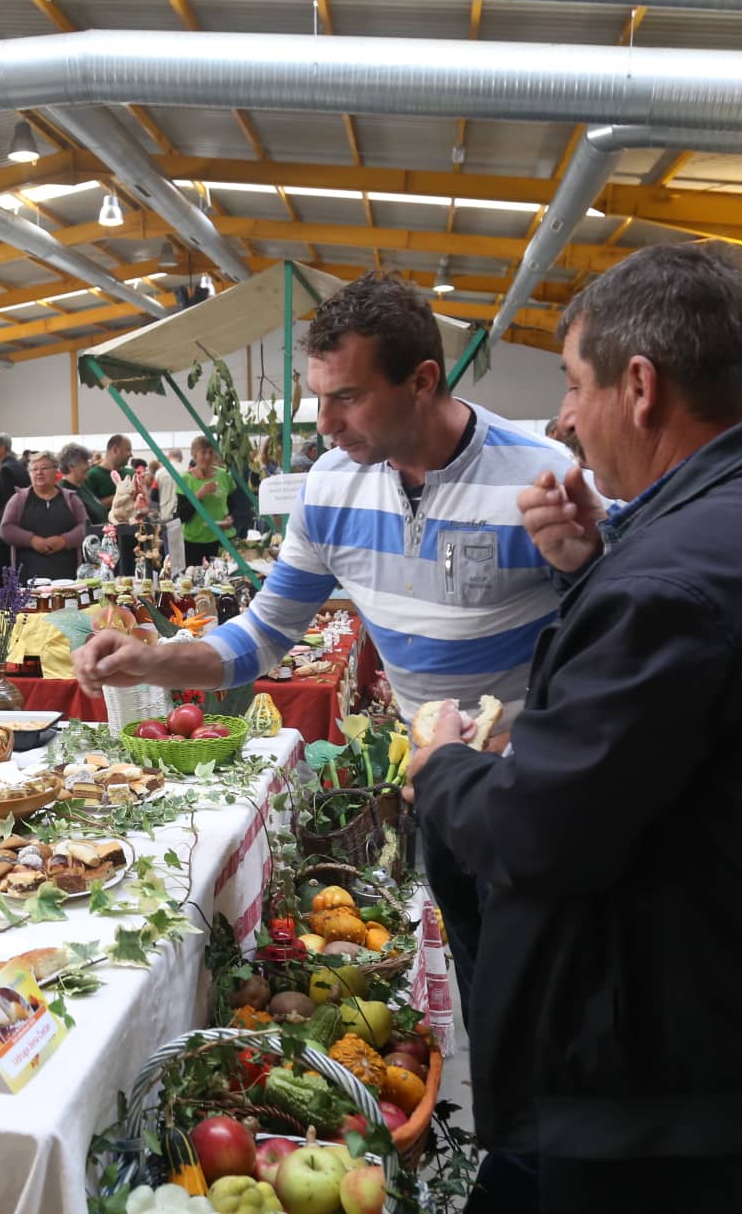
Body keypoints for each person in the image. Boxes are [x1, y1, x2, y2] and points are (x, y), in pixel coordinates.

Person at [402, 243, 742, 1211]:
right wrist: (596, 564)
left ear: (640, 386)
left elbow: (539, 830)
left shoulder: (674, 581)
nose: (562, 419)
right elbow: (724, 715)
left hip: (672, 1079)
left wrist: (447, 767)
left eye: (571, 383)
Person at [71, 270, 573, 1029]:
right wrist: (150, 658)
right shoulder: (331, 488)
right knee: (482, 985)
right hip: (443, 796)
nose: (325, 425)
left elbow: (620, 641)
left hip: (540, 799)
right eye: (317, 397)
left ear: (422, 381)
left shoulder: (543, 477)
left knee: (552, 998)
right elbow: (263, 636)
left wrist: (531, 735)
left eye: (348, 397)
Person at [0, 449, 88, 582]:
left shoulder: (71, 498)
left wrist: (64, 541)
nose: (39, 473)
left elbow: (85, 526)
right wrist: (32, 540)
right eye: (34, 469)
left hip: (68, 578)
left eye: (44, 468)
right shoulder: (18, 499)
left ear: (55, 472)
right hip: (27, 579)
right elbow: (6, 529)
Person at [176, 437, 235, 568]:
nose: (208, 457)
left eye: (211, 452)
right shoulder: (185, 479)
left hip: (219, 539)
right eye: (203, 452)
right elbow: (182, 516)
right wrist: (198, 495)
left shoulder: (224, 476)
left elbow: (232, 505)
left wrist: (230, 518)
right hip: (192, 542)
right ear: (194, 455)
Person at [0, 433, 28, 573]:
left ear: (2, 448)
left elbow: (8, 504)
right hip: (20, 524)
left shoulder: (6, 470)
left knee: (6, 566)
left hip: (8, 526)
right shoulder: (17, 465)